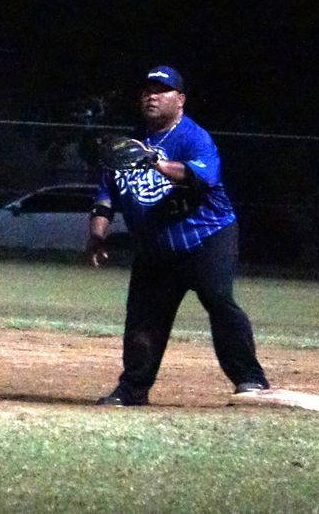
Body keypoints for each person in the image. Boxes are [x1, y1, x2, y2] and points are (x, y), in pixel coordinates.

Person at [84, 65, 269, 406]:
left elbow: (199, 177)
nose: (151, 96)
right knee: (142, 317)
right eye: (146, 90)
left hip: (206, 236)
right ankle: (133, 390)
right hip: (155, 245)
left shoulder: (193, 137)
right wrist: (98, 235)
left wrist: (153, 161)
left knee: (218, 300)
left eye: (161, 90)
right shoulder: (128, 144)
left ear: (180, 99)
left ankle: (250, 380)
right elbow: (105, 197)